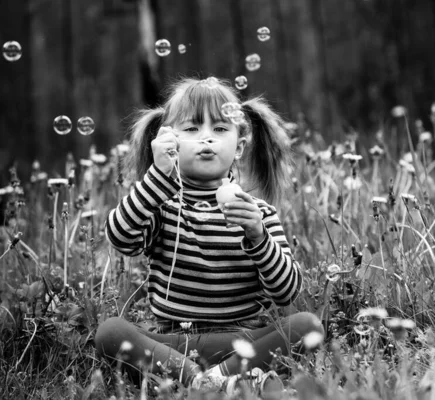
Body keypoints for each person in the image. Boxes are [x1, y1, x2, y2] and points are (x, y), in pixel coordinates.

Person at [95, 76, 323, 394]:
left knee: (305, 326)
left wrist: (258, 236)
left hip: (241, 342)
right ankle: (213, 382)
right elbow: (120, 237)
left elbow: (285, 293)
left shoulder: (256, 214)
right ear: (169, 141)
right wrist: (156, 179)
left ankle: (202, 382)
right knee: (110, 332)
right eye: (191, 129)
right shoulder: (160, 207)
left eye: (219, 129)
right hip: (175, 345)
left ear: (240, 145)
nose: (206, 139)